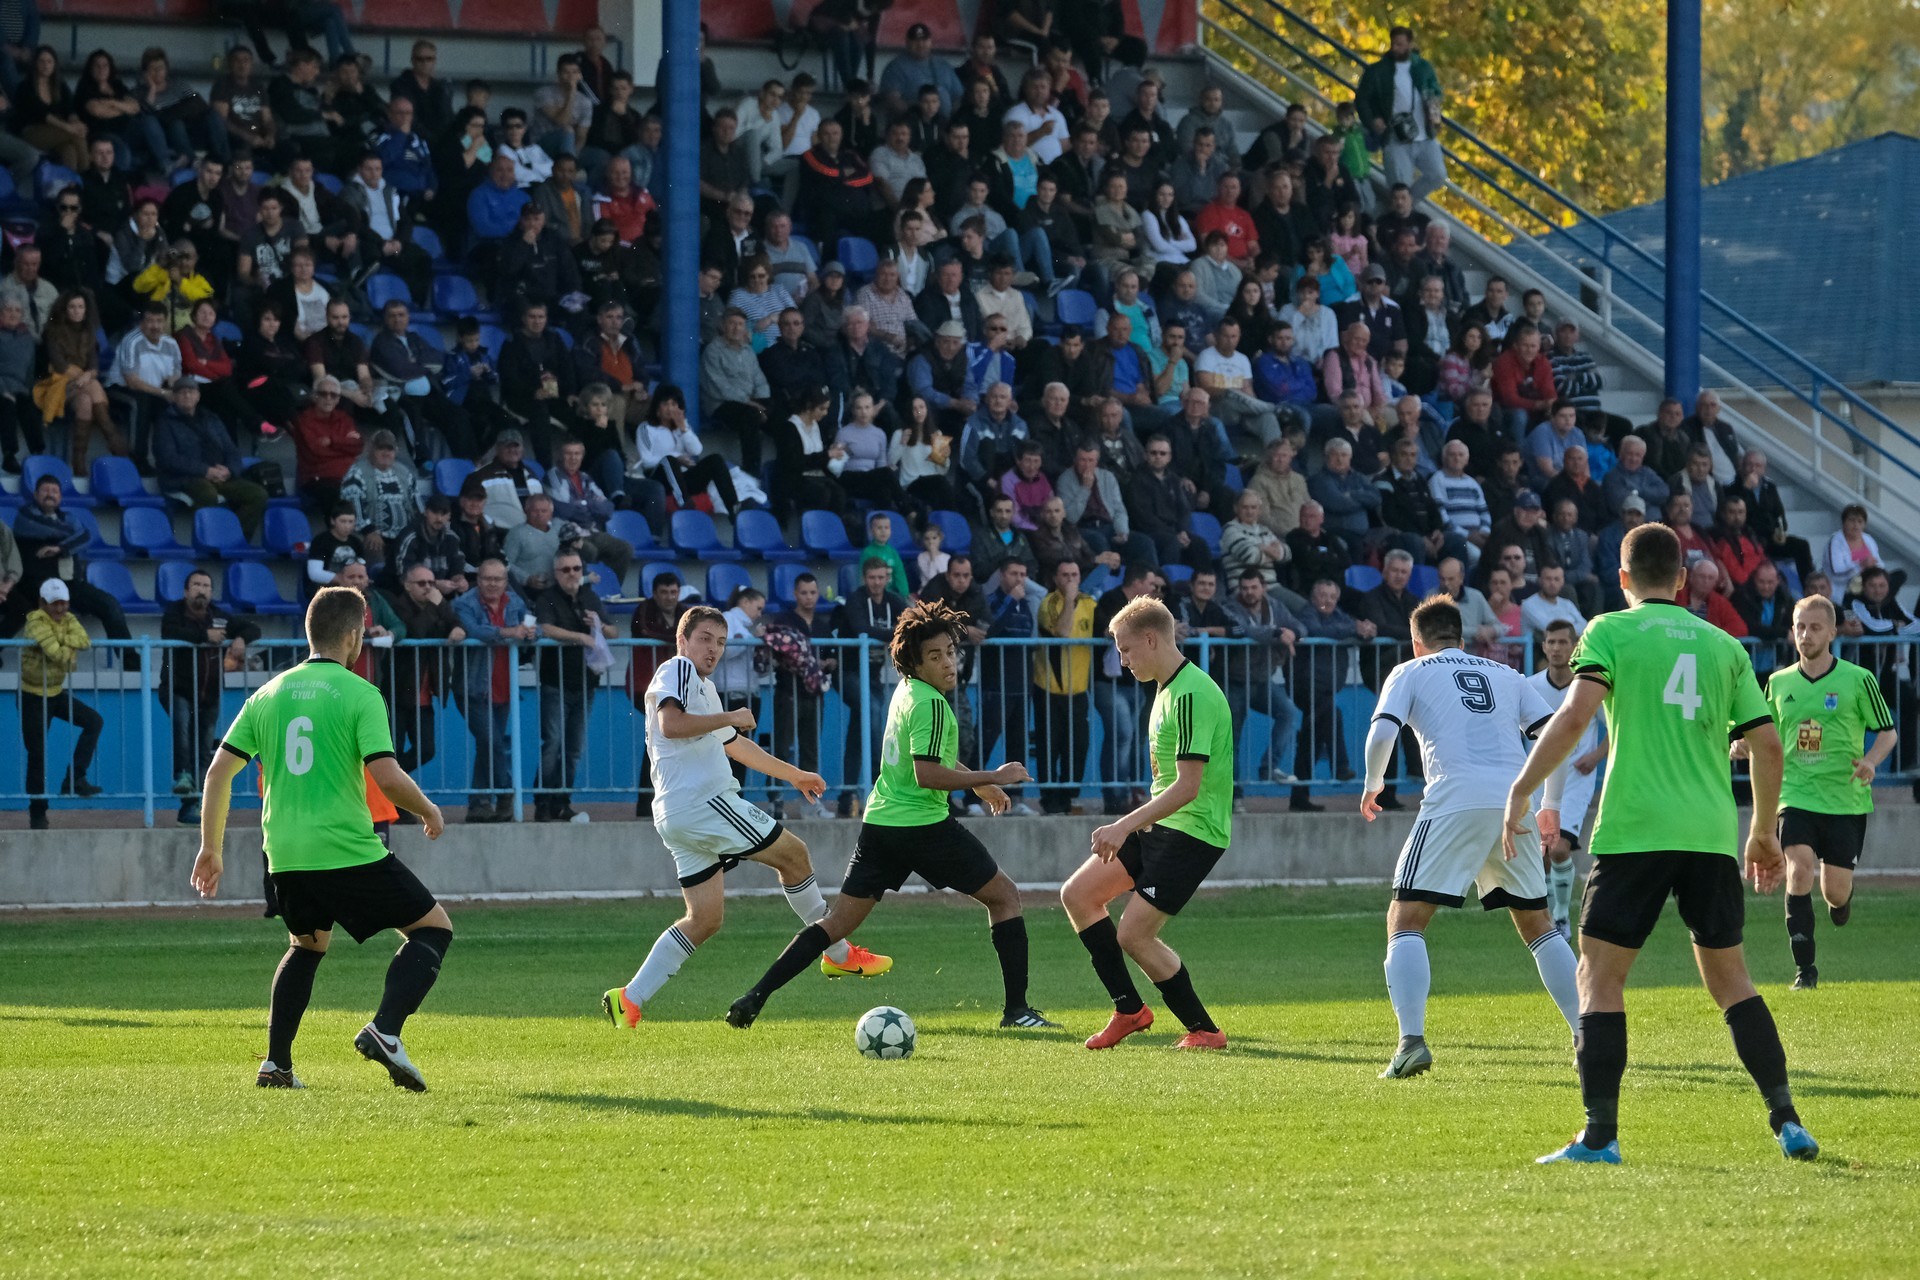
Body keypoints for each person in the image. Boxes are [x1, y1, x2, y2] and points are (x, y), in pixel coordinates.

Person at [1505, 521, 1819, 1165]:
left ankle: (1600, 1137)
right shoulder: (1723, 645)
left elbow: (1574, 715)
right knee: (1732, 981)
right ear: (1681, 580)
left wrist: (1524, 792)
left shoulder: (1609, 631)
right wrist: (1762, 832)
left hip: (1636, 830)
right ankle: (1787, 1120)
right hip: (1709, 833)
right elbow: (1766, 744)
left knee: (1600, 978)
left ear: (1622, 578)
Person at [730, 597, 1057, 1032]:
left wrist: (977, 783)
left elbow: (925, 757)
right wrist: (992, 775)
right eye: (935, 656)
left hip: (881, 824)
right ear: (915, 662)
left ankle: (755, 996)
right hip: (924, 827)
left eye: (950, 652)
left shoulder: (907, 691)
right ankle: (1017, 1011)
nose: (948, 663)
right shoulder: (932, 704)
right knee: (1006, 897)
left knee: (836, 923)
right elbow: (927, 774)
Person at [192, 586, 451, 1093]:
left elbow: (218, 773)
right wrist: (427, 808)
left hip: (285, 854)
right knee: (433, 929)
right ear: (354, 635)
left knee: (306, 946)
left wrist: (210, 848)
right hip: (345, 848)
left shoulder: (268, 693)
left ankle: (276, 1064)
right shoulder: (360, 692)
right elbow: (387, 775)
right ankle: (386, 1031)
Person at [604, 605, 892, 1029]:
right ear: (682, 640)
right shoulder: (678, 670)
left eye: (720, 642)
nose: (713, 649)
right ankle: (837, 952)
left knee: (705, 919)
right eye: (705, 638)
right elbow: (671, 724)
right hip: (703, 802)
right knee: (794, 855)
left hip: (677, 814)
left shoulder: (702, 689)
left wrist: (794, 775)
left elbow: (736, 746)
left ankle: (629, 998)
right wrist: (732, 716)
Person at [1358, 595, 1579, 1080]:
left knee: (1405, 919)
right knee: (1539, 925)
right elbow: (1557, 737)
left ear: (1417, 642)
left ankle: (1411, 1042)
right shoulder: (1506, 674)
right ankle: (1587, 1034)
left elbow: (1382, 735)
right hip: (1514, 803)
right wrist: (1551, 806)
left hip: (1454, 800)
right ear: (1462, 638)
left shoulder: (1410, 671)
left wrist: (1374, 783)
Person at [1056, 595, 1233, 1051]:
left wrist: (1122, 825)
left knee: (1133, 934)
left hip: (1193, 832)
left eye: (1126, 649)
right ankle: (1129, 1010)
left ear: (1151, 639)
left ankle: (1205, 1031)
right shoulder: (1166, 689)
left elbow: (1188, 787)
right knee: (1078, 895)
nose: (1122, 660)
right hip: (1164, 825)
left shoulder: (1192, 694)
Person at [1746, 594, 1896, 990]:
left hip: (1845, 800)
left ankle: (1841, 902)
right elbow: (1765, 734)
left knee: (1835, 893)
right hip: (1795, 795)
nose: (1806, 634)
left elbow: (1888, 732)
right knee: (1798, 871)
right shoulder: (1778, 683)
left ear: (1832, 632)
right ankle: (1805, 971)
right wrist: (1744, 744)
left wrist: (1871, 761)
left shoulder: (1858, 679)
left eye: (1815, 627)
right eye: (1800, 627)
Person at [160, 569, 260, 825]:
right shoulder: (174, 612)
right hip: (178, 690)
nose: (201, 590)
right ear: (186, 591)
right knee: (183, 734)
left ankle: (193, 806)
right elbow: (169, 632)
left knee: (204, 750)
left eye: (206, 586)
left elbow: (253, 628)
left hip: (209, 694)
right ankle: (182, 777)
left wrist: (241, 638)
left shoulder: (220, 616)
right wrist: (204, 637)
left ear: (212, 592)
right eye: (196, 585)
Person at [1527, 619, 1607, 933]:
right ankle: (1548, 918)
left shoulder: (1587, 687)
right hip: (1540, 779)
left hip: (1575, 778)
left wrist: (1595, 756)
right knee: (1542, 853)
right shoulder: (1531, 686)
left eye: (1563, 642)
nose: (1557, 648)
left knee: (1559, 847)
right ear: (1544, 647)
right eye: (1551, 642)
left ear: (1574, 647)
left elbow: (1613, 728)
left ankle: (1561, 916)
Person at [18, 580, 103, 830]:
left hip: (55, 692)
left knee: (94, 721)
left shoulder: (69, 618)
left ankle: (75, 779)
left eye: (64, 603)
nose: (60, 608)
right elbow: (56, 653)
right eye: (54, 604)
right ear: (42, 604)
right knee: (37, 754)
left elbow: (84, 641)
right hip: (33, 696)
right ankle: (37, 813)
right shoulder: (35, 621)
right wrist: (68, 646)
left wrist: (61, 642)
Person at [450, 559, 528, 823]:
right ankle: (505, 792)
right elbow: (475, 630)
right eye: (487, 579)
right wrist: (511, 631)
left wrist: (530, 632)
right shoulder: (464, 603)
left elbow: (532, 625)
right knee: (492, 742)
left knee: (487, 746)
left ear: (506, 581)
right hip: (474, 687)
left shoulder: (514, 601)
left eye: (498, 579)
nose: (492, 584)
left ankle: (479, 804)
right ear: (478, 580)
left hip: (504, 686)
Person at [532, 549, 603, 823]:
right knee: (552, 744)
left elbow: (613, 630)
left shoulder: (590, 597)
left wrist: (597, 625)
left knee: (573, 749)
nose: (572, 574)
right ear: (556, 573)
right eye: (565, 569)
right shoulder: (547, 598)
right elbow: (545, 628)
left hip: (586, 683)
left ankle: (562, 802)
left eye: (576, 568)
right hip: (556, 682)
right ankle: (543, 803)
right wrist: (580, 637)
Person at [153, 379, 268, 538]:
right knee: (207, 493)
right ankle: (207, 540)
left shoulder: (211, 419)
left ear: (198, 396)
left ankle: (233, 539)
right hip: (185, 478)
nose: (187, 395)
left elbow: (232, 450)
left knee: (258, 494)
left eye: (191, 392)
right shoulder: (165, 423)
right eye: (182, 392)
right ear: (174, 397)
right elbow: (168, 458)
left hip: (220, 476)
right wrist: (205, 471)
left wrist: (229, 470)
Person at [1357, 25, 1447, 202]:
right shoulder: (1378, 71)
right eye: (1393, 44)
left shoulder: (1423, 67)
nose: (1395, 48)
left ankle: (1406, 206)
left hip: (1424, 134)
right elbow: (1362, 99)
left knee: (1438, 174)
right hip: (1395, 136)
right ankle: (1402, 206)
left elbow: (1436, 91)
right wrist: (1373, 120)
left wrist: (1433, 105)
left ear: (1409, 44)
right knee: (1399, 185)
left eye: (1400, 44)